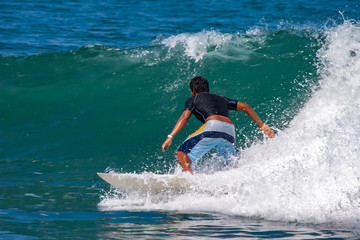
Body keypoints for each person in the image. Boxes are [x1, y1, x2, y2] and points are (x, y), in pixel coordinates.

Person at [162, 76, 275, 174]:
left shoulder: (193, 99)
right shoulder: (222, 99)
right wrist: (262, 125)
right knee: (233, 161)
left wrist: (170, 136)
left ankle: (190, 179)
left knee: (182, 152)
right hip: (229, 130)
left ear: (193, 91)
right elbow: (247, 107)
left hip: (213, 126)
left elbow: (185, 117)